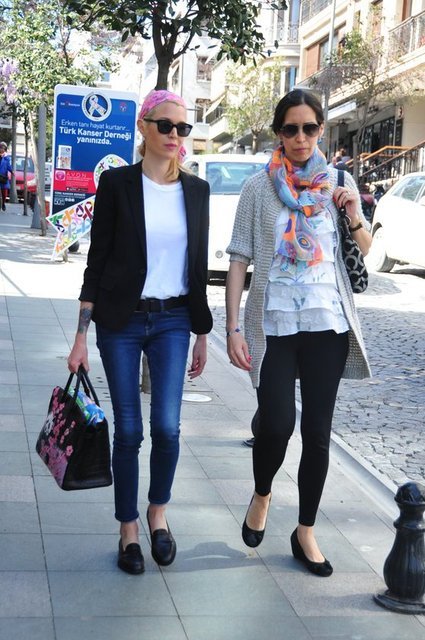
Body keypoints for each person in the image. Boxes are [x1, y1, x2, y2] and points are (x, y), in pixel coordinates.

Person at [225, 88, 371, 577]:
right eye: (291, 128)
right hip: (274, 325)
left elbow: (365, 248)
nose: (301, 137)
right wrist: (232, 327)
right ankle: (262, 493)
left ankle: (305, 530)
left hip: (326, 324)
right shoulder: (257, 188)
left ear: (321, 130)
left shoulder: (340, 182)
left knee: (318, 434)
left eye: (310, 128)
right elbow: (239, 259)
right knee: (277, 423)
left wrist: (352, 213)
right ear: (279, 133)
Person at [67, 89, 212, 575]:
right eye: (165, 125)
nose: (174, 135)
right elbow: (97, 260)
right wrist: (80, 336)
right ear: (143, 127)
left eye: (182, 128)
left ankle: (157, 513)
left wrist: (202, 332)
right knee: (128, 429)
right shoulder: (117, 184)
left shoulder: (197, 191)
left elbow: (197, 267)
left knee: (167, 427)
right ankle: (128, 527)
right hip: (121, 321)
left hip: (173, 320)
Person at [0, 142, 13, 211]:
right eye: (1, 148)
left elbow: (8, 166)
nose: (2, 149)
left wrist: (12, 171)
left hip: (3, 177)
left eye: (3, 148)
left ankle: (3, 203)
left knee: (4, 192)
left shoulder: (6, 157)